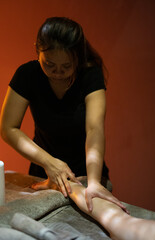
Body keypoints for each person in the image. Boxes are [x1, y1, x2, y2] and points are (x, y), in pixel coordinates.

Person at [0, 17, 126, 212]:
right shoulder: (27, 75)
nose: (57, 72)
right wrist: (49, 162)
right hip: (43, 171)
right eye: (49, 64)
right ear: (38, 50)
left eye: (67, 66)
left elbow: (94, 129)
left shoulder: (90, 75)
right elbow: (7, 128)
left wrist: (93, 182)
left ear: (78, 58)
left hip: (86, 171)